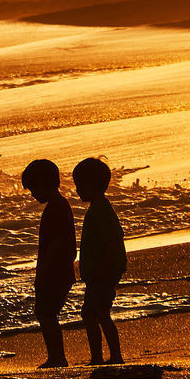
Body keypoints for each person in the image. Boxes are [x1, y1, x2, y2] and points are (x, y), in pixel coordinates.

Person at [21, 159, 76, 368]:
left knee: (46, 313)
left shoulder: (56, 208)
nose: (33, 194)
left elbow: (57, 244)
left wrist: (43, 272)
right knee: (46, 312)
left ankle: (57, 357)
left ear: (44, 183)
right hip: (58, 270)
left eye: (34, 188)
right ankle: (56, 356)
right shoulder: (58, 206)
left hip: (55, 271)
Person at [72, 157, 127, 366]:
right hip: (99, 272)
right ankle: (99, 356)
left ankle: (113, 356)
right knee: (91, 313)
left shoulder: (101, 211)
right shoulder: (98, 208)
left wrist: (102, 270)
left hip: (103, 272)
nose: (77, 190)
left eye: (80, 185)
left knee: (98, 312)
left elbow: (113, 241)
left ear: (92, 185)